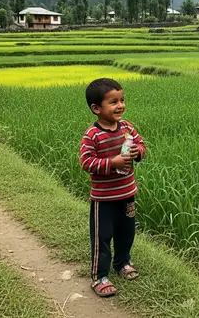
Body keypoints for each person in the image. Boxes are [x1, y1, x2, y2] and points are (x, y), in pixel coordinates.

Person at [79, 78, 146, 297]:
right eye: (113, 102)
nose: (120, 106)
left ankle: (123, 263)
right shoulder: (92, 135)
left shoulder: (127, 127)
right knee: (103, 237)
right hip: (104, 199)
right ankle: (100, 276)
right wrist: (112, 163)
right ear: (96, 108)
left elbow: (141, 144)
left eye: (122, 100)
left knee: (127, 232)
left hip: (127, 195)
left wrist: (138, 152)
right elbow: (86, 162)